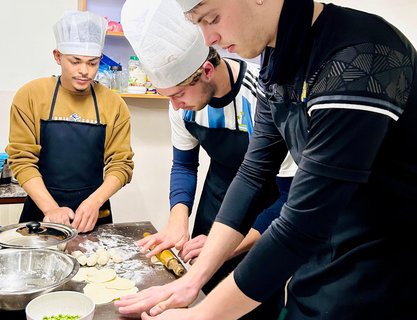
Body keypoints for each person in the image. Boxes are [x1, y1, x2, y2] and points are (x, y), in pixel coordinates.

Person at [115, 0, 417, 319]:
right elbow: (254, 174)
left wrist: (200, 316)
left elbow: (303, 222)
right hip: (318, 265)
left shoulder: (362, 56)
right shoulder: (277, 60)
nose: (207, 40)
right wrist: (193, 280)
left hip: (383, 278)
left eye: (212, 18)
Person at [121, 0, 296, 318]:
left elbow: (288, 196)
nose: (174, 107)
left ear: (206, 70)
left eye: (177, 95)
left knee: (252, 306)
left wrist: (232, 244)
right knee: (201, 295)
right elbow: (185, 164)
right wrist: (178, 221)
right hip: (215, 205)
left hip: (267, 215)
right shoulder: (182, 107)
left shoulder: (261, 98)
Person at [6, 11, 134, 233]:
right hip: (40, 215)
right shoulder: (31, 96)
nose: (84, 71)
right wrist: (51, 208)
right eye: (75, 61)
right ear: (57, 56)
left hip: (94, 217)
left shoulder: (113, 104)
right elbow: (21, 159)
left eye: (92, 63)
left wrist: (94, 203)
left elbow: (121, 164)